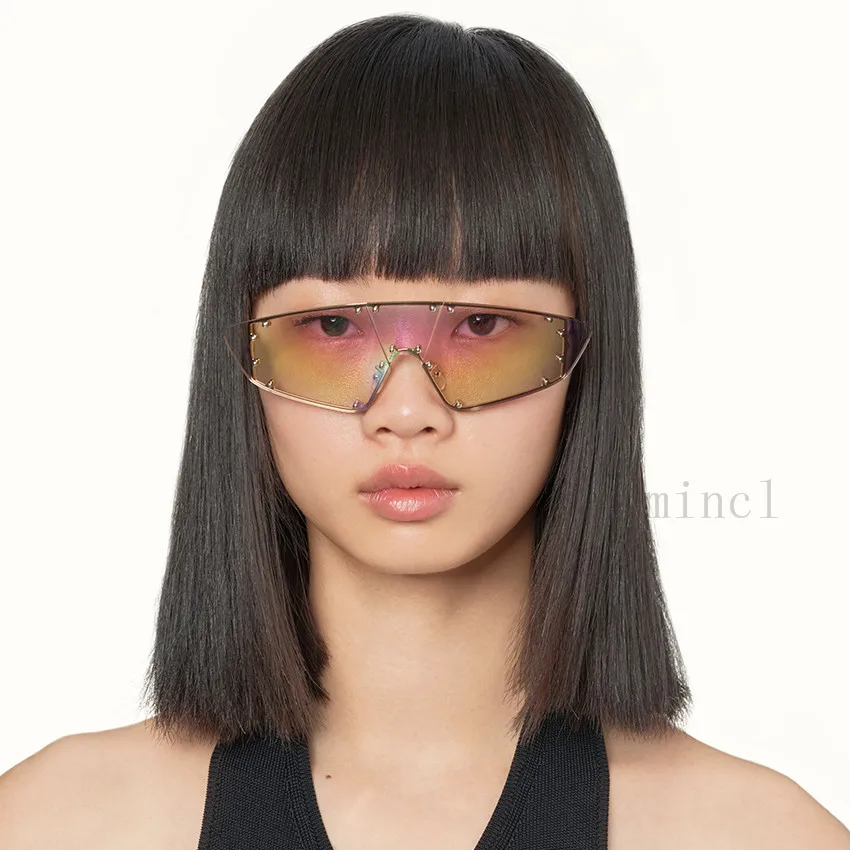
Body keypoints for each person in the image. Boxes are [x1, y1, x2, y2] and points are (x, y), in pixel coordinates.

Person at [1, 12, 848, 850]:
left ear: (589, 360)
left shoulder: (765, 836)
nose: (407, 411)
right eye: (333, 328)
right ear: (241, 360)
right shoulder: (51, 825)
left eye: (482, 325)